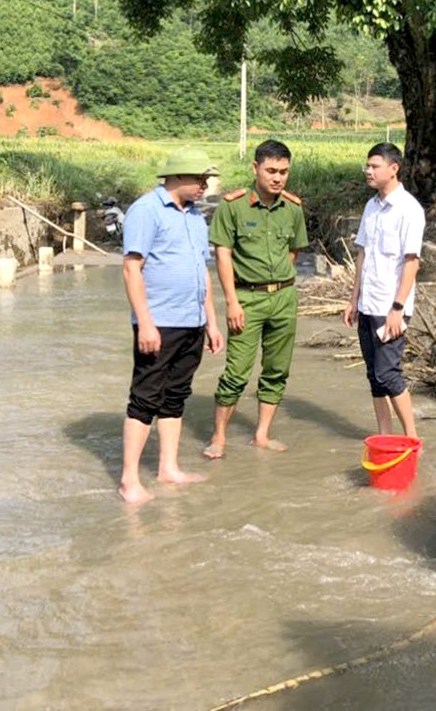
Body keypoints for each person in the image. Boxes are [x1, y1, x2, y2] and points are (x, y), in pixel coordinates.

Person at [119, 147, 225, 504]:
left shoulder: (195, 217)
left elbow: (202, 272)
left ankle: (168, 468)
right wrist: (145, 323)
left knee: (175, 395)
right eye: (200, 180)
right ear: (178, 177)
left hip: (191, 321)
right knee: (145, 396)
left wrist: (211, 321)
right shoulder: (146, 211)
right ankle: (129, 479)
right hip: (159, 322)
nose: (205, 186)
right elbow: (132, 267)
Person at [204, 140, 309, 458]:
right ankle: (219, 437)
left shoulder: (293, 208)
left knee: (277, 369)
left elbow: (294, 249)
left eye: (284, 172)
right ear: (255, 169)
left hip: (284, 298)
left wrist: (277, 284)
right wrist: (232, 301)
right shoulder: (232, 206)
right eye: (271, 171)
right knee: (236, 371)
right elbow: (223, 254)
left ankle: (261, 435)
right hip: (246, 300)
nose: (278, 178)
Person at [343, 143, 426, 438]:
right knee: (374, 377)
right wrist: (354, 299)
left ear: (394, 169)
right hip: (368, 304)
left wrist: (398, 309)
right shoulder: (371, 206)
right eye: (367, 165)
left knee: (389, 374)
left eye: (375, 166)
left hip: (391, 308)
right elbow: (363, 255)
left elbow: (411, 263)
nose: (369, 171)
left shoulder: (408, 210)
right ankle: (384, 437)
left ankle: (412, 438)